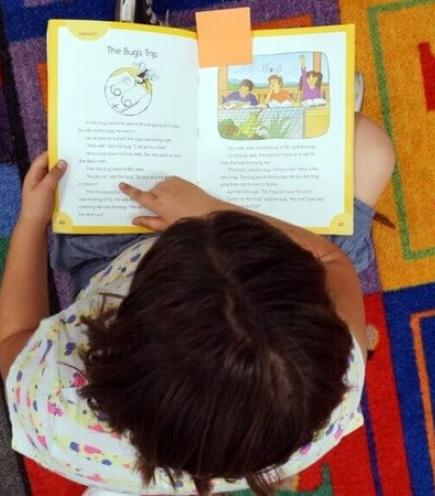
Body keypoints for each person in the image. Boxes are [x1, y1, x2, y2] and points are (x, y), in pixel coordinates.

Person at [0, 114, 395, 496]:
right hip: (277, 280)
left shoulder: (54, 405)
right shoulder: (336, 376)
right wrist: (212, 209)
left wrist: (31, 221)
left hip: (121, 253)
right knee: (372, 150)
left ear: (119, 335)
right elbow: (328, 261)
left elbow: (13, 336)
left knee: (103, 156)